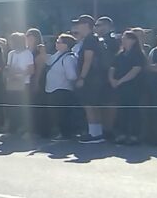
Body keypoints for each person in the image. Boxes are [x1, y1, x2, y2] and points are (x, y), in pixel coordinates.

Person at [71, 15, 108, 143]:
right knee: (93, 105)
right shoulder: (94, 39)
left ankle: (94, 133)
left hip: (91, 78)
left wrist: (82, 77)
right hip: (96, 77)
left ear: (86, 25)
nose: (77, 26)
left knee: (89, 106)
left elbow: (88, 59)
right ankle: (97, 132)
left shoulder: (89, 40)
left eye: (79, 24)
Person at [110, 30, 147, 145]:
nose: (123, 40)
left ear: (133, 40)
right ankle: (121, 134)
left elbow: (135, 71)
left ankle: (134, 136)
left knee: (133, 111)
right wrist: (112, 79)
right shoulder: (120, 54)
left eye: (127, 38)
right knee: (122, 111)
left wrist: (120, 81)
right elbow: (112, 68)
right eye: (123, 38)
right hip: (120, 87)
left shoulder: (138, 55)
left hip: (133, 87)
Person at [45, 34, 79, 140]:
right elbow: (49, 61)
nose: (56, 44)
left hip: (62, 89)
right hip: (52, 88)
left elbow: (72, 75)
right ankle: (59, 131)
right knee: (55, 113)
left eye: (59, 42)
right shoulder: (57, 54)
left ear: (66, 45)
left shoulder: (68, 58)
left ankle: (65, 133)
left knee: (62, 113)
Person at [4, 32, 34, 135]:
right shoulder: (11, 54)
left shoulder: (27, 53)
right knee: (12, 107)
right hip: (12, 83)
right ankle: (13, 127)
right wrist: (9, 72)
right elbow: (8, 66)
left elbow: (31, 70)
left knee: (22, 107)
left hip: (24, 83)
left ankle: (24, 128)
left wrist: (18, 74)